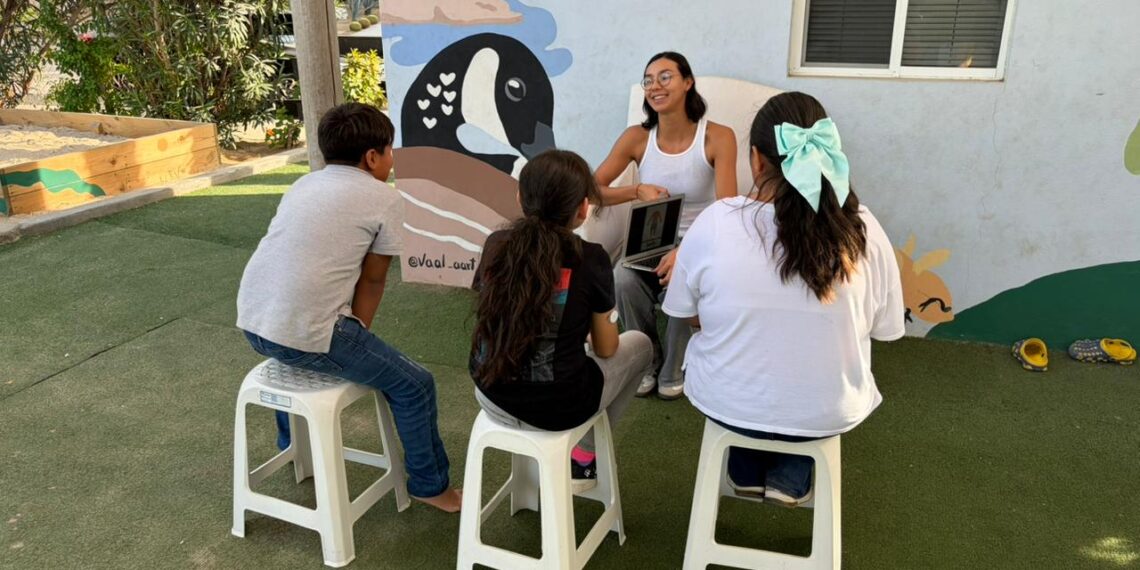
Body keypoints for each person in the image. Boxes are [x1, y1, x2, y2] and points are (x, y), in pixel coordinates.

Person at [662, 92, 905, 507]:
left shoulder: (717, 222)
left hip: (727, 402)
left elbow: (688, 315)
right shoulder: (862, 228)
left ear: (756, 160)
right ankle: (791, 477)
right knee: (803, 400)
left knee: (746, 396)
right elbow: (884, 329)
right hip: (827, 410)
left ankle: (744, 470)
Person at [236, 102, 461, 513]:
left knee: (297, 340)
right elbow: (373, 279)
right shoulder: (383, 198)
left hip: (254, 323)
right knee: (415, 384)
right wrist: (360, 336)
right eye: (390, 150)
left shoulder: (303, 184)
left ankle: (293, 448)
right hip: (308, 334)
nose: (393, 160)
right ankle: (431, 486)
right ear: (372, 156)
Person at [470, 150, 653, 491]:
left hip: (490, 394)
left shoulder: (495, 244)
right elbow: (607, 346)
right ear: (583, 208)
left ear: (520, 197)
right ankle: (583, 456)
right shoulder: (592, 258)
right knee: (640, 345)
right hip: (559, 408)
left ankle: (579, 456)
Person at [594, 51, 737, 400]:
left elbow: (727, 209)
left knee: (681, 280)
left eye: (665, 77)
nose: (654, 86)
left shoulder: (718, 137)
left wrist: (685, 251)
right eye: (648, 80)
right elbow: (592, 189)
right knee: (622, 278)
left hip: (701, 241)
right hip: (650, 239)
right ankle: (647, 359)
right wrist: (635, 190)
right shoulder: (637, 138)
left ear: (688, 83)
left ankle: (674, 366)